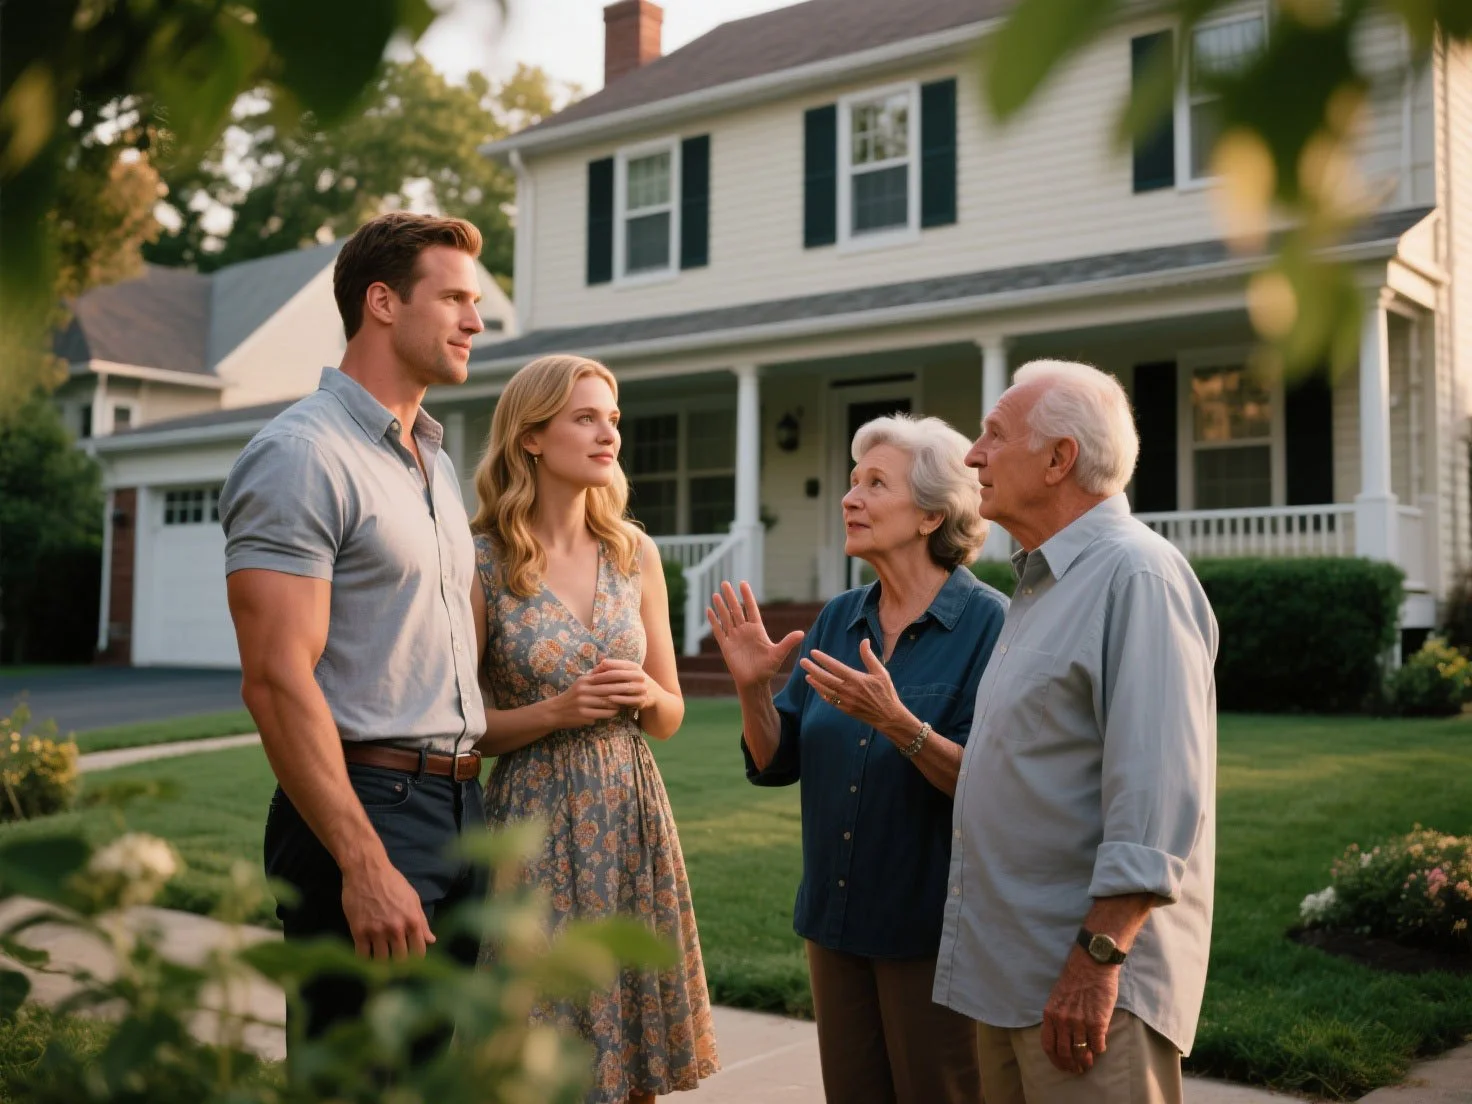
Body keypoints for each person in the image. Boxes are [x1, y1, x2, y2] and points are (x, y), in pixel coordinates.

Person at [220, 212, 490, 1062]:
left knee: (430, 1077)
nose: (475, 322)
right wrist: (362, 863)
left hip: (459, 810)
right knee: (357, 1080)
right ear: (381, 302)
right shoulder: (302, 454)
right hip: (367, 812)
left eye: (474, 303)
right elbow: (273, 679)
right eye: (452, 299)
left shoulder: (435, 462)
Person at [933, 359, 1218, 1104]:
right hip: (1012, 978)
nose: (971, 454)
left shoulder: (1136, 576)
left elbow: (1158, 796)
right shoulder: (1040, 585)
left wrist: (1096, 961)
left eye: (995, 435)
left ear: (1060, 458)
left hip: (1089, 989)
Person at [707, 413, 1006, 1104]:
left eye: (876, 484)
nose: (851, 498)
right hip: (834, 925)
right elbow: (777, 758)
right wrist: (755, 688)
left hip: (930, 934)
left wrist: (899, 724)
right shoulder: (840, 616)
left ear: (932, 513)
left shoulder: (989, 624)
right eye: (851, 482)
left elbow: (989, 784)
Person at [468, 354, 719, 1104]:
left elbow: (670, 715)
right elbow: (468, 728)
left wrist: (645, 691)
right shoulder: (482, 560)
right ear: (533, 437)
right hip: (531, 821)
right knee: (532, 1047)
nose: (608, 433)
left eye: (612, 418)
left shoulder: (633, 552)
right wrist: (555, 712)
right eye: (586, 417)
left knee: (632, 1038)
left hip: (631, 811)